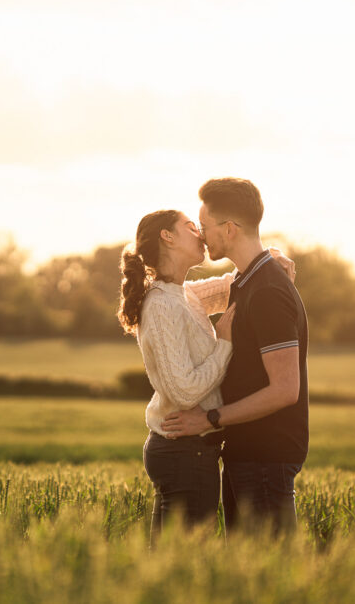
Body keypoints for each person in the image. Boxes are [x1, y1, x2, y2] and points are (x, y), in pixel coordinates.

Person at [117, 209, 295, 543]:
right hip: (184, 449)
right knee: (180, 562)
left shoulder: (180, 294)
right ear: (167, 237)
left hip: (189, 450)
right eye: (190, 227)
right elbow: (185, 394)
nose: (200, 234)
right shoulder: (161, 305)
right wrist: (224, 344)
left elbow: (234, 285)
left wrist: (270, 258)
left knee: (175, 559)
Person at [162, 178, 309, 534]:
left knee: (268, 583)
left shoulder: (268, 291)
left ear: (229, 229)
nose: (201, 236)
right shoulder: (249, 282)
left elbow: (285, 389)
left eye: (205, 227)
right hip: (248, 456)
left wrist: (209, 419)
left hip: (265, 460)